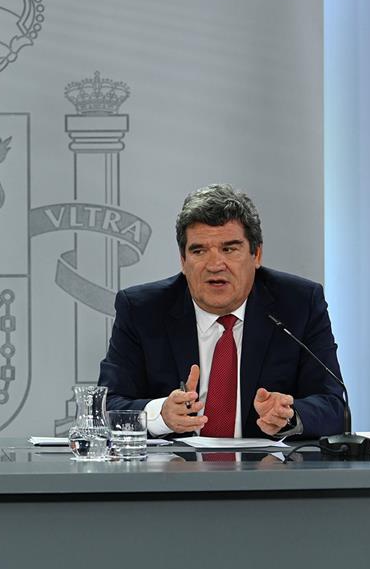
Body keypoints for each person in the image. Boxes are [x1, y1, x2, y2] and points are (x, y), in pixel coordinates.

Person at [100, 184, 345, 439]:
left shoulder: (298, 304)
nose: (215, 265)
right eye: (199, 250)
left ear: (256, 254)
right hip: (174, 475)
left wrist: (289, 415)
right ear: (183, 261)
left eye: (229, 249)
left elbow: (335, 408)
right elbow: (106, 406)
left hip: (268, 475)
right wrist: (160, 414)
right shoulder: (142, 310)